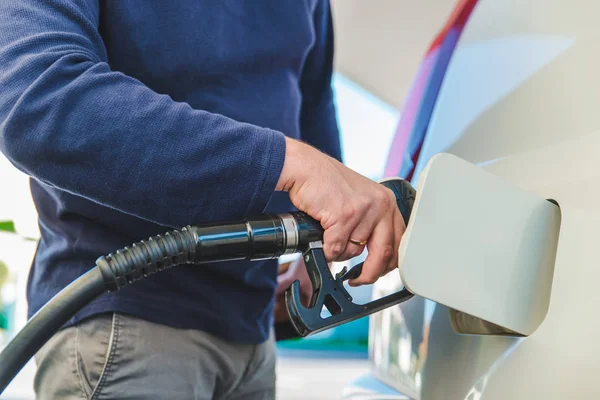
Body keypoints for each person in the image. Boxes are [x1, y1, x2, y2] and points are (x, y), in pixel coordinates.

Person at [0, 1, 405, 399]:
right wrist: (286, 161)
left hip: (253, 332)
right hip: (126, 324)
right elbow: (37, 96)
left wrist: (314, 240)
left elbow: (310, 98)